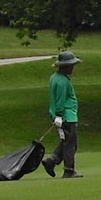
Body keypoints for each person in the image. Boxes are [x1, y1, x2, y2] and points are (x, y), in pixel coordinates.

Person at [42, 51, 83, 179]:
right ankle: (69, 170)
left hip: (63, 116)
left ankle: (52, 161)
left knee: (67, 141)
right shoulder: (62, 82)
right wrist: (59, 115)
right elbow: (60, 100)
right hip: (66, 116)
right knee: (71, 144)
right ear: (64, 66)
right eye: (71, 65)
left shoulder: (55, 77)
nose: (72, 68)